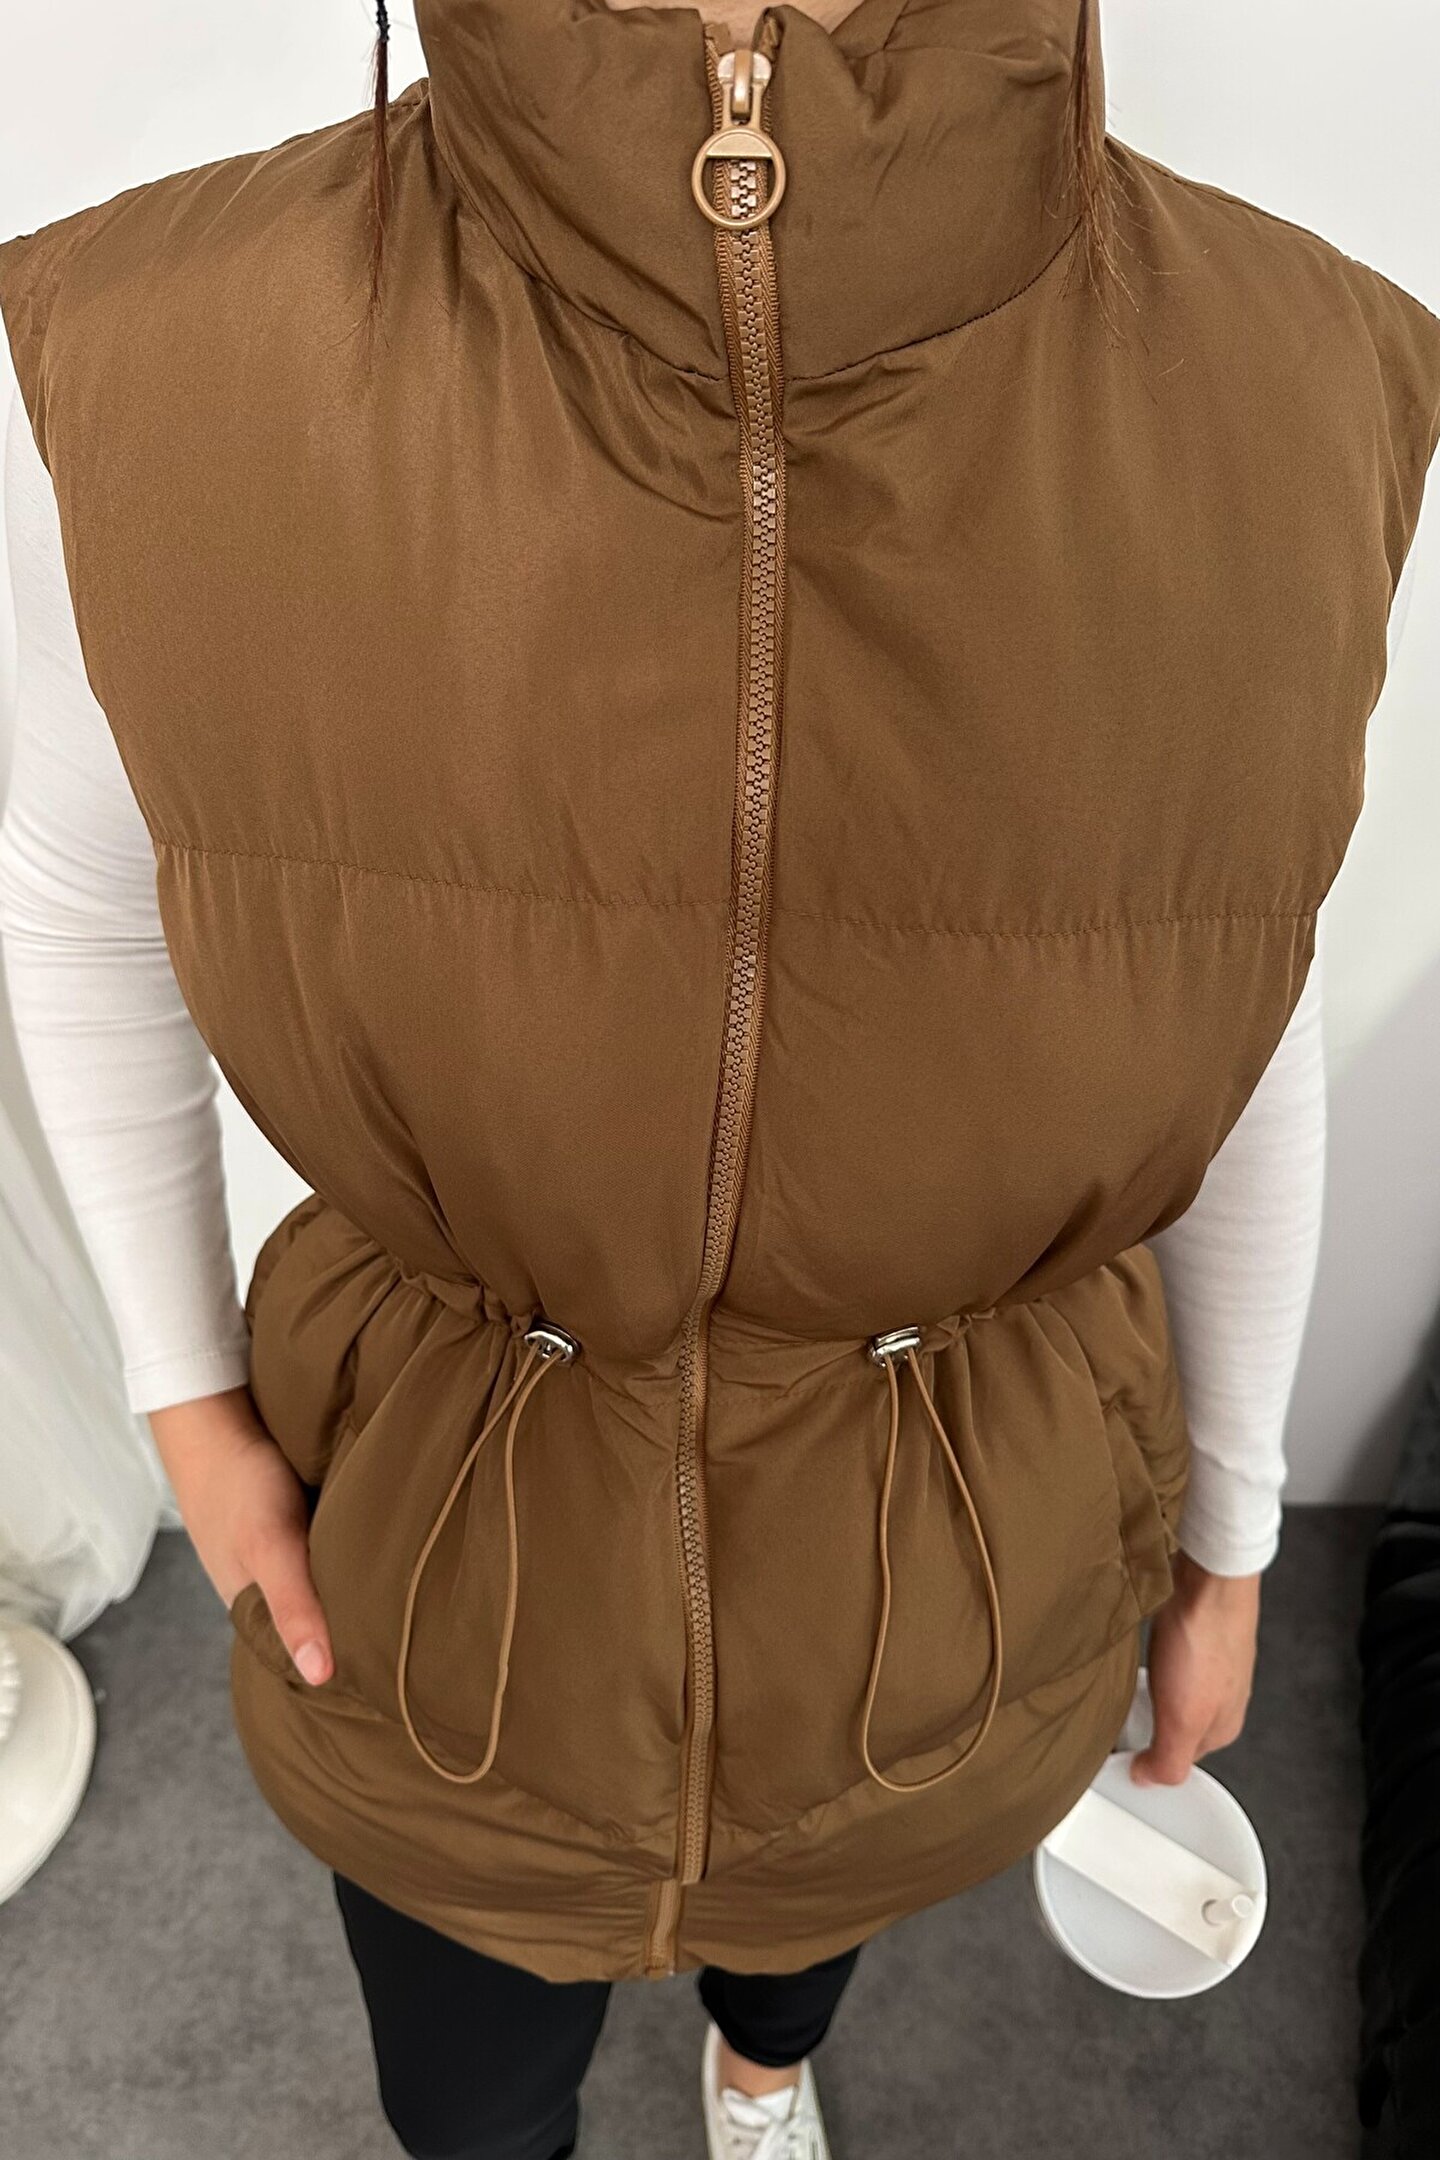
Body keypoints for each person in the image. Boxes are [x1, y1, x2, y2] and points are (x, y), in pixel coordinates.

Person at [0, 2, 1435, 2156]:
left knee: (806, 1948)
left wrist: (1231, 1544)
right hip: (444, 1568)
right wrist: (184, 1406)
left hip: (950, 1567)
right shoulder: (166, 343)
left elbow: (1237, 1006)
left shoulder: (1296, 379)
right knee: (469, 2103)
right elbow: (88, 885)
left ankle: (762, 2081)